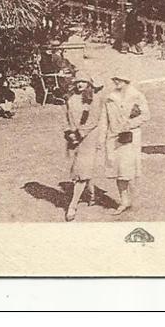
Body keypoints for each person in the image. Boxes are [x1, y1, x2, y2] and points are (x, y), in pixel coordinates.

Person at [102, 74, 150, 215]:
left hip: (131, 137)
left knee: (129, 171)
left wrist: (130, 124)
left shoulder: (137, 96)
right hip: (113, 138)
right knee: (118, 171)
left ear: (126, 80)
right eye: (114, 79)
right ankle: (124, 201)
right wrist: (102, 137)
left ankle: (134, 200)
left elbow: (146, 115)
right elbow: (104, 120)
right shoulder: (109, 98)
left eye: (119, 79)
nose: (116, 81)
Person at [64, 77, 104, 221]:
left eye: (83, 82)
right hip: (74, 137)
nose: (80, 84)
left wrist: (79, 134)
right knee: (83, 169)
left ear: (89, 83)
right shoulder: (72, 98)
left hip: (89, 137)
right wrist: (69, 132)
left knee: (81, 169)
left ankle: (72, 206)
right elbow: (67, 117)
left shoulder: (95, 98)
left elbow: (94, 120)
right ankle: (92, 195)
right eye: (77, 82)